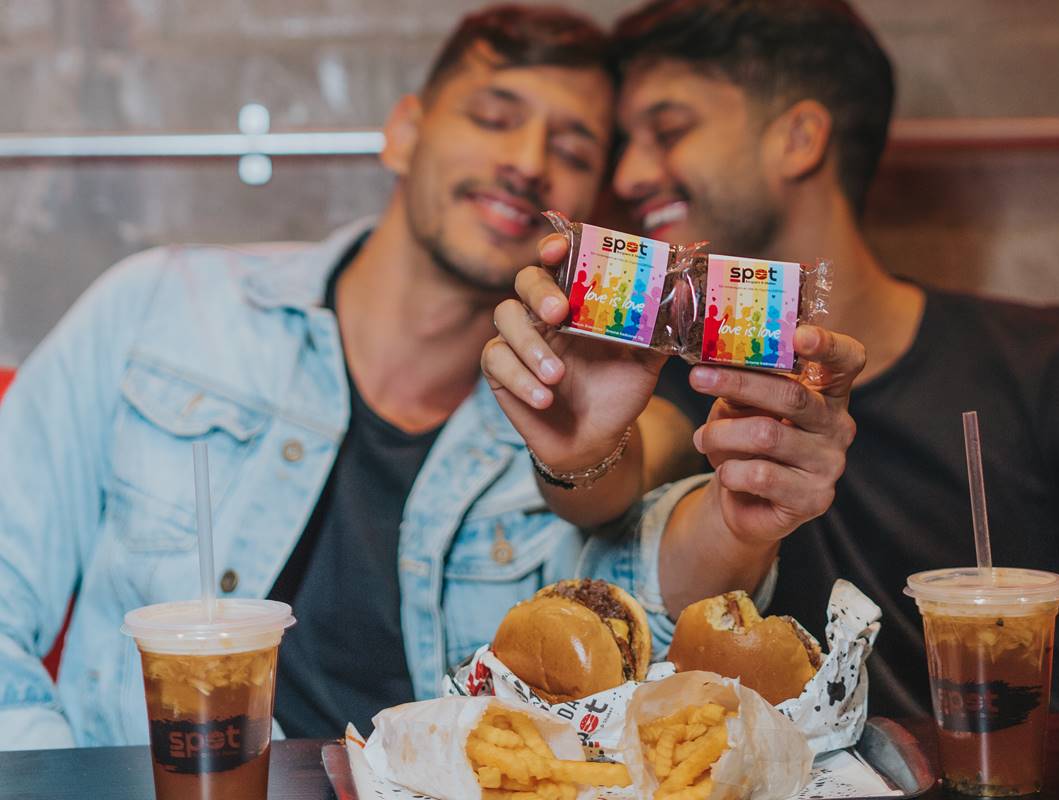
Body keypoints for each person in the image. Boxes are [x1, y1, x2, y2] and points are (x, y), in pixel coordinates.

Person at [0, 4, 863, 751]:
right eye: (494, 115)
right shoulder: (159, 310)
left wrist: (745, 512)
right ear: (405, 130)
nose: (527, 159)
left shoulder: (583, 405)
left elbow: (640, 588)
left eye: (570, 144)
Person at [482, 0, 1059, 717]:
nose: (632, 175)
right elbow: (618, 472)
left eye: (669, 130)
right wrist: (574, 446)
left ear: (800, 137)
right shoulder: (671, 381)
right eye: (623, 147)